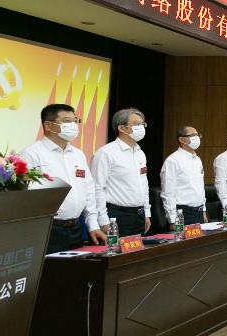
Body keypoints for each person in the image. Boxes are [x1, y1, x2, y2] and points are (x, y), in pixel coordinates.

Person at [22, 104, 106, 253]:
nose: (73, 125)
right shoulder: (31, 154)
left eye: (75, 120)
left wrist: (93, 225)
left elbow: (88, 191)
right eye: (67, 121)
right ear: (48, 125)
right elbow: (26, 197)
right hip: (48, 229)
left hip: (76, 228)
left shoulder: (78, 154)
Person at [90, 107, 151, 237]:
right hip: (116, 215)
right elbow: (97, 188)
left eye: (142, 124)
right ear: (122, 128)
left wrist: (147, 213)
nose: (141, 127)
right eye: (136, 124)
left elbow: (143, 185)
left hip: (139, 215)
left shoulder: (140, 153)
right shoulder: (105, 153)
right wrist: (103, 220)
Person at [161, 125, 206, 225]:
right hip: (183, 213)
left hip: (199, 211)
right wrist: (173, 219)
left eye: (198, 135)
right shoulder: (173, 160)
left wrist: (203, 210)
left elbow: (200, 187)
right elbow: (168, 193)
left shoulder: (197, 159)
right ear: (181, 139)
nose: (197, 138)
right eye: (193, 135)